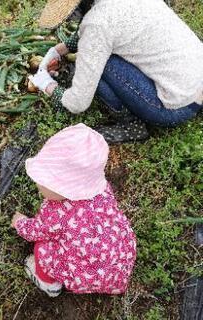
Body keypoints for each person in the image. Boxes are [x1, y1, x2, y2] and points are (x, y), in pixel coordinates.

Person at [29, 0, 203, 143]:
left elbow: (77, 104)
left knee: (100, 62)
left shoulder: (97, 23)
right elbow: (109, 27)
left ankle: (131, 127)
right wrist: (61, 49)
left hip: (178, 108)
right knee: (99, 51)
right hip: (197, 80)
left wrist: (47, 84)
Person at [11, 124, 136, 297]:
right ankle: (108, 280)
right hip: (117, 264)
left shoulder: (57, 214)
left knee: (42, 247)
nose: (37, 183)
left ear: (63, 188)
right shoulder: (102, 190)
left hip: (84, 277)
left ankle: (49, 284)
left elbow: (36, 232)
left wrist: (20, 223)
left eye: (44, 181)